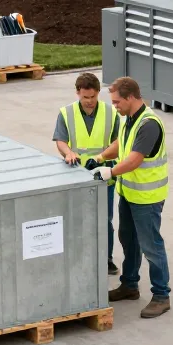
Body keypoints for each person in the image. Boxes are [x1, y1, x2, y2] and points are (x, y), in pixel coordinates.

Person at [93, 77, 171, 319]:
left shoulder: (149, 124)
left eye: (117, 102)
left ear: (130, 98)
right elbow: (121, 144)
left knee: (151, 246)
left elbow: (135, 158)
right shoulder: (129, 119)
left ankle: (161, 295)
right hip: (129, 193)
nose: (114, 106)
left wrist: (110, 171)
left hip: (147, 198)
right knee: (128, 240)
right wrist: (99, 158)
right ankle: (129, 285)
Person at [53, 73, 121, 276]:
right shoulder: (66, 113)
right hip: (75, 174)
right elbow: (60, 140)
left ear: (98, 92)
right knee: (75, 218)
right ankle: (77, 257)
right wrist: (68, 153)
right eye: (85, 97)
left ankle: (106, 259)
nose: (89, 101)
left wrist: (101, 157)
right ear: (77, 93)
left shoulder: (111, 113)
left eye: (92, 97)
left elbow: (119, 143)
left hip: (103, 175)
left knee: (104, 219)